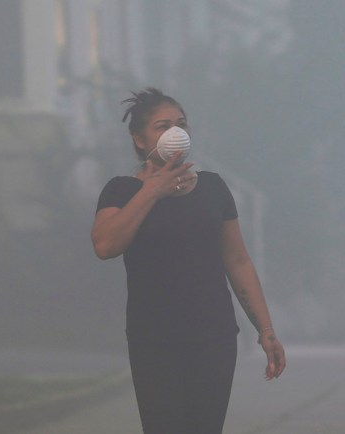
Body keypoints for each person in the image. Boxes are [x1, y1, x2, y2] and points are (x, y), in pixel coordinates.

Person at [90, 87, 285, 434]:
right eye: (162, 126)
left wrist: (266, 330)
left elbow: (238, 261)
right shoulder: (121, 191)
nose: (175, 133)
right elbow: (105, 245)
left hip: (213, 336)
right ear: (139, 139)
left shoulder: (213, 189)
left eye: (181, 124)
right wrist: (151, 190)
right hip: (153, 338)